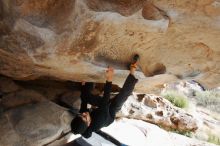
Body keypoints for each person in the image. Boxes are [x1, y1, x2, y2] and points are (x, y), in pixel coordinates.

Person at [71, 55, 139, 138]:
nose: (83, 113)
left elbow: (84, 100)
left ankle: (91, 79)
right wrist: (109, 78)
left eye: (80, 115)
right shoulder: (99, 120)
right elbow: (105, 99)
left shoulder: (82, 117)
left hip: (98, 111)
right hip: (109, 115)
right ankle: (132, 71)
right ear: (88, 124)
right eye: (84, 117)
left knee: (85, 96)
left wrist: (83, 85)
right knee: (121, 97)